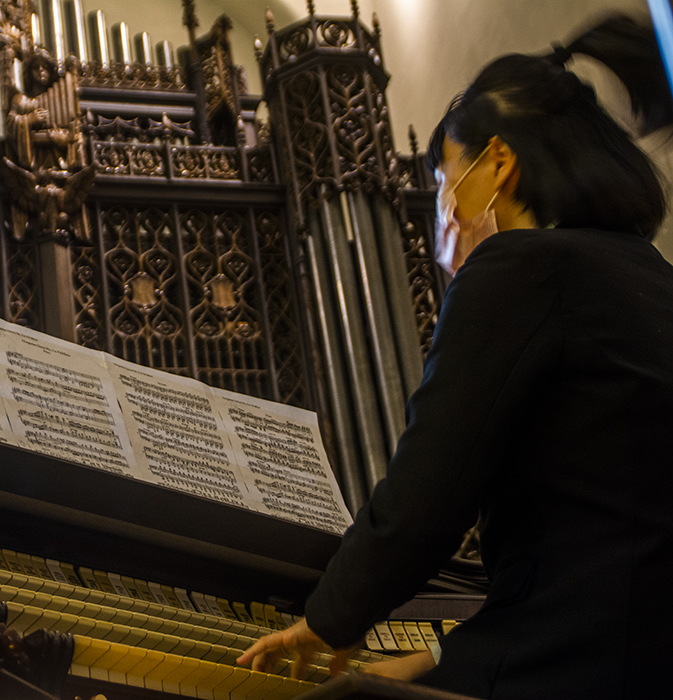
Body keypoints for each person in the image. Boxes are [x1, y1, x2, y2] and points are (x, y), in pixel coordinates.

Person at [238, 14, 673, 699]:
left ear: (498, 162)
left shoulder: (520, 268)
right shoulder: (646, 271)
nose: (442, 209)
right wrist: (440, 659)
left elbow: (430, 489)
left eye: (445, 180)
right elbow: (592, 535)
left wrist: (331, 617)